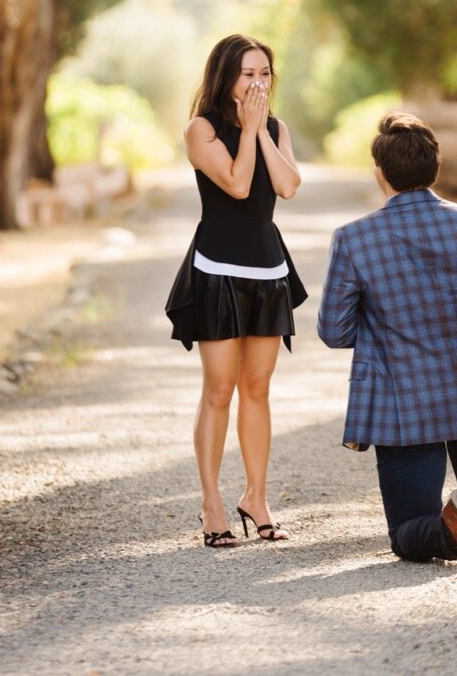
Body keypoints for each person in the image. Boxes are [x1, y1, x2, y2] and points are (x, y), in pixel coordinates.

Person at [317, 112, 457, 572]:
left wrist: (380, 325)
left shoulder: (354, 239)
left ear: (381, 174)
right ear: (436, 168)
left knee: (408, 534)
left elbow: (334, 332)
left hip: (403, 406)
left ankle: (456, 532)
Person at [166, 34, 306, 548]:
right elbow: (239, 185)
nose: (258, 82)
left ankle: (257, 498)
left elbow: (287, 186)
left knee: (259, 388)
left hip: (269, 270)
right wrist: (247, 132)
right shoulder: (199, 129)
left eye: (265, 73)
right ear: (225, 77)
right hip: (217, 268)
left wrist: (263, 131)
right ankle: (212, 503)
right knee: (219, 389)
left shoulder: (276, 127)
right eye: (248, 73)